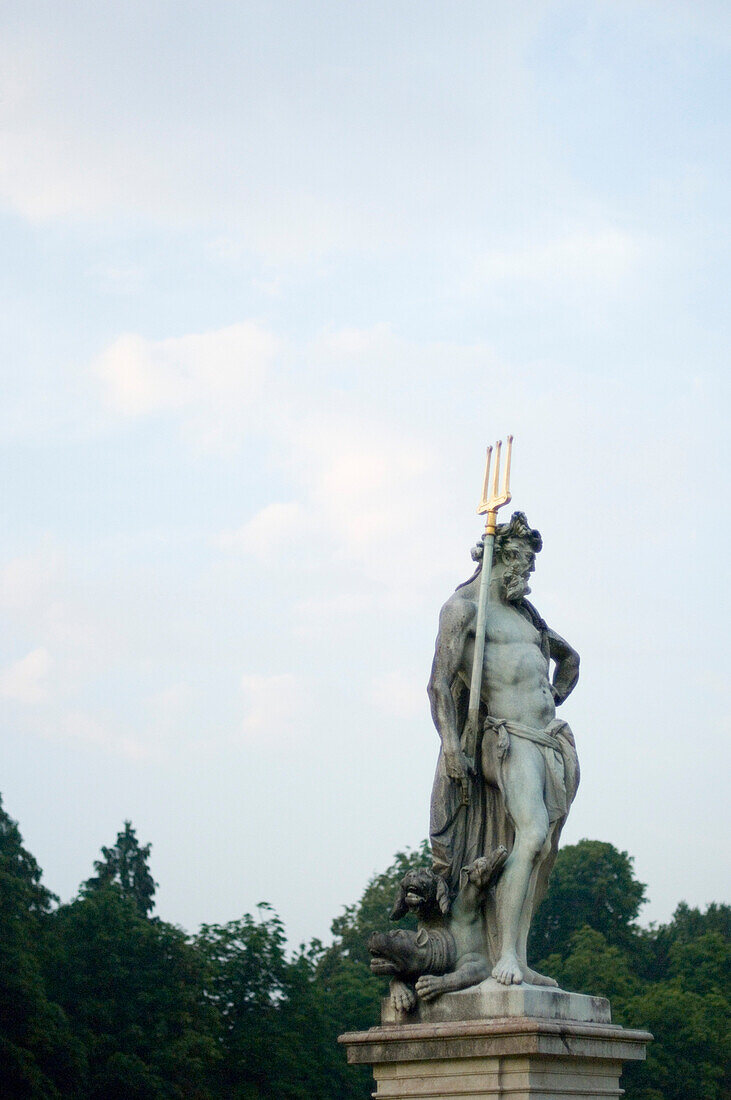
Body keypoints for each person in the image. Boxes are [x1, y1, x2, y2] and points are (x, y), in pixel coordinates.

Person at [427, 511, 580, 986]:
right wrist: (451, 744)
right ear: (499, 557)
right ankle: (504, 958)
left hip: (549, 741)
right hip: (506, 738)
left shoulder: (527, 616)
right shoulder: (464, 609)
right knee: (531, 833)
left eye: (532, 566)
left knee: (542, 850)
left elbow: (569, 660)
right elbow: (437, 685)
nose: (528, 575)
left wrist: (554, 694)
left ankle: (519, 956)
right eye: (523, 563)